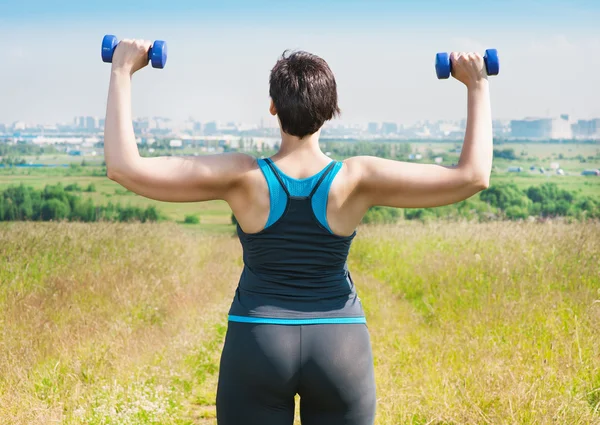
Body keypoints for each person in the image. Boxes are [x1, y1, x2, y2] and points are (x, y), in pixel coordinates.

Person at [104, 41, 492, 425]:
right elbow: (473, 176)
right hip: (340, 345)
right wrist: (477, 84)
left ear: (273, 107)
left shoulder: (242, 177)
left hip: (257, 339)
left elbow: (125, 168)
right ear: (330, 111)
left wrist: (122, 69)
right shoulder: (358, 179)